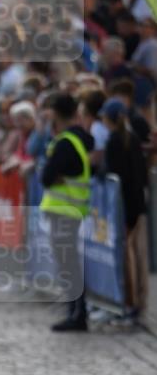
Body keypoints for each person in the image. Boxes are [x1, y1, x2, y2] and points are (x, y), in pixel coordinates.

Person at [39, 93, 94, 332]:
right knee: (68, 262)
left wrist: (52, 175)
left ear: (56, 113)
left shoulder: (65, 143)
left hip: (64, 212)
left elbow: (46, 176)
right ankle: (75, 311)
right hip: (70, 211)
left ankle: (77, 314)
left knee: (68, 263)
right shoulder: (77, 140)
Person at [100, 98, 149, 322]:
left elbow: (112, 172)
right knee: (134, 255)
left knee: (127, 257)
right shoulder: (131, 138)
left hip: (125, 206)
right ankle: (134, 302)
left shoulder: (116, 141)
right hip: (136, 203)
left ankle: (130, 303)